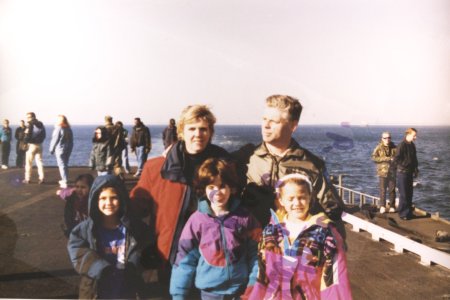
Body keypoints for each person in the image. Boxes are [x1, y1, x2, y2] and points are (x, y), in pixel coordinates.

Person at [129, 105, 230, 277]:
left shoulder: (224, 167)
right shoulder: (155, 168)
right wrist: (148, 242)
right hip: (167, 257)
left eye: (203, 129)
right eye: (192, 128)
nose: (198, 134)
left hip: (211, 259)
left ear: (211, 132)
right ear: (181, 132)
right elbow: (134, 211)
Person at [238, 95, 346, 238]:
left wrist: (333, 248)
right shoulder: (246, 157)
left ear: (292, 126)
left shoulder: (311, 164)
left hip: (292, 251)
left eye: (273, 121)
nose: (266, 125)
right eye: (264, 119)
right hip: (251, 249)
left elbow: (333, 210)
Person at [249, 174, 352, 299]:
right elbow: (261, 274)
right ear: (281, 200)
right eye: (290, 198)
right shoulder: (271, 232)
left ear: (310, 198)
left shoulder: (326, 233)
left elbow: (334, 278)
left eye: (302, 197)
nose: (297, 203)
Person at [170, 158, 261, 299]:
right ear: (203, 189)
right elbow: (184, 259)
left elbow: (257, 255)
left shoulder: (245, 218)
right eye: (211, 187)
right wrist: (178, 294)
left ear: (232, 187)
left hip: (240, 292)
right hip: (209, 293)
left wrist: (253, 286)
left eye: (222, 186)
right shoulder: (197, 221)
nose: (217, 192)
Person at [67, 175, 158, 299]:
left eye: (113, 198)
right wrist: (99, 267)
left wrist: (136, 262)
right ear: (95, 200)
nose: (108, 203)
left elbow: (147, 247)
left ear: (121, 199)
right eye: (103, 198)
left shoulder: (135, 226)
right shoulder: (85, 228)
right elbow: (77, 250)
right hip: (95, 290)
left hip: (128, 289)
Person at [394, 128, 419, 220]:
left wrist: (416, 169)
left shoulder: (412, 145)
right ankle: (402, 213)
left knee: (409, 193)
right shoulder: (402, 145)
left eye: (415, 135)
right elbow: (397, 159)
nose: (415, 137)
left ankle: (408, 212)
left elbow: (414, 159)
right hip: (402, 173)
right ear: (408, 134)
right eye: (414, 135)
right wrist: (405, 164)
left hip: (410, 172)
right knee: (403, 193)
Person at [371, 132, 397, 213]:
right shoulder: (379, 147)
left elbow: (398, 158)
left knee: (392, 190)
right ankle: (382, 206)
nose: (387, 139)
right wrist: (386, 159)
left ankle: (392, 206)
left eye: (389, 137)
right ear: (382, 139)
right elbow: (373, 158)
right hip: (382, 172)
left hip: (392, 171)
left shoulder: (394, 147)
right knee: (383, 190)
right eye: (385, 138)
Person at [49, 115, 74, 188]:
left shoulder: (58, 128)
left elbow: (55, 139)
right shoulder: (69, 128)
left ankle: (64, 180)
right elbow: (71, 140)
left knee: (61, 165)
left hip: (60, 149)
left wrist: (51, 149)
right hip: (68, 148)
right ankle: (64, 179)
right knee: (65, 164)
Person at [23, 112, 46, 184]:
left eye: (28, 117)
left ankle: (27, 179)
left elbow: (28, 135)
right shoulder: (41, 124)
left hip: (31, 145)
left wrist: (25, 142)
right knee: (39, 162)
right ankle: (41, 178)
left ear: (32, 117)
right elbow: (44, 135)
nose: (27, 119)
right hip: (40, 145)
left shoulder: (30, 124)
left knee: (29, 163)